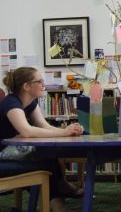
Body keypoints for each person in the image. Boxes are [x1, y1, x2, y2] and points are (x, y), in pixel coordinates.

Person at [0, 67, 84, 212]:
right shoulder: (11, 102)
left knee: (47, 153)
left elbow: (44, 126)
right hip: (2, 153)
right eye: (39, 81)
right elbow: (27, 131)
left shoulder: (30, 102)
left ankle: (60, 191)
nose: (44, 84)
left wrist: (68, 131)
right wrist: (64, 133)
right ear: (26, 86)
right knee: (44, 160)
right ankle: (57, 202)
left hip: (12, 149)